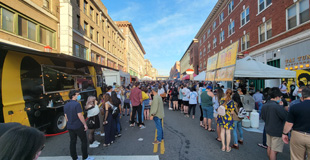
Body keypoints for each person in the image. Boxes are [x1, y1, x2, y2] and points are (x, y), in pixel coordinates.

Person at [64, 90, 94, 160]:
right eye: (77, 94)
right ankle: (85, 157)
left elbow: (66, 116)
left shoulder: (66, 105)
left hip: (70, 126)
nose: (79, 96)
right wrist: (85, 124)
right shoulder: (77, 104)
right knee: (83, 140)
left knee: (72, 141)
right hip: (78, 125)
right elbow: (80, 116)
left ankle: (74, 157)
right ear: (73, 96)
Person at [282, 87, 310, 160]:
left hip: (298, 134)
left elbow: (289, 123)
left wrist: (284, 133)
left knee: (296, 157)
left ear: (303, 95)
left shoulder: (295, 106)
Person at [261, 88, 288, 160]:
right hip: (277, 130)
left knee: (269, 147)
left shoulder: (265, 105)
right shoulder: (277, 106)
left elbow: (262, 117)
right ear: (277, 97)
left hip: (268, 128)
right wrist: (281, 107)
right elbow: (285, 116)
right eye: (280, 97)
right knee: (274, 150)